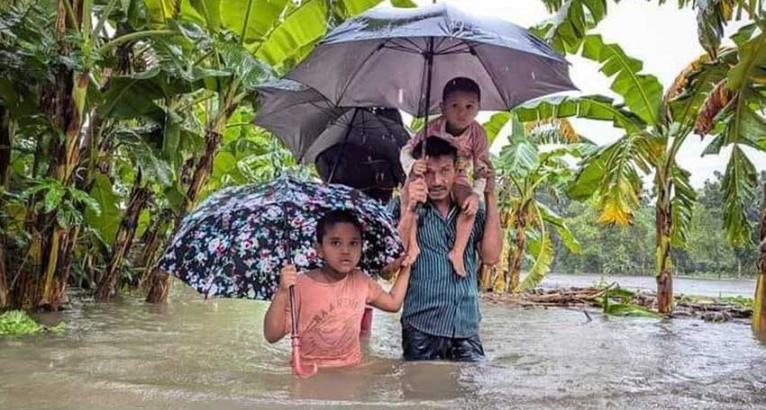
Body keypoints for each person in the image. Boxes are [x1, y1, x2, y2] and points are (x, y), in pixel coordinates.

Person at [390, 136, 502, 362]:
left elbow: (491, 257)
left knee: (470, 394)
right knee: (420, 394)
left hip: (466, 326)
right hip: (422, 327)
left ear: (456, 171)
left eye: (445, 170)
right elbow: (388, 266)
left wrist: (490, 194)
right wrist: (410, 209)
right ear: (418, 170)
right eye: (429, 172)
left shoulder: (471, 210)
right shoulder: (402, 206)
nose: (437, 180)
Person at [262, 210, 411, 368]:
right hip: (310, 373)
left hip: (351, 370)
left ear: (361, 247)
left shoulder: (361, 281)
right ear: (319, 249)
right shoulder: (299, 285)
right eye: (335, 243)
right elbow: (271, 335)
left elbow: (394, 304)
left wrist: (407, 267)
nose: (345, 251)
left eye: (353, 243)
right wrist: (282, 291)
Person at [400, 77, 491, 277]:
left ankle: (457, 252)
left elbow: (482, 169)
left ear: (478, 108)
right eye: (454, 106)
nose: (462, 112)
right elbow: (406, 150)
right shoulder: (431, 128)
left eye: (469, 106)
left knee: (469, 205)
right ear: (442, 107)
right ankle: (412, 245)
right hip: (425, 171)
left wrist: (476, 194)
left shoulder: (478, 134)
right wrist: (413, 165)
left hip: (457, 175)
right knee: (409, 195)